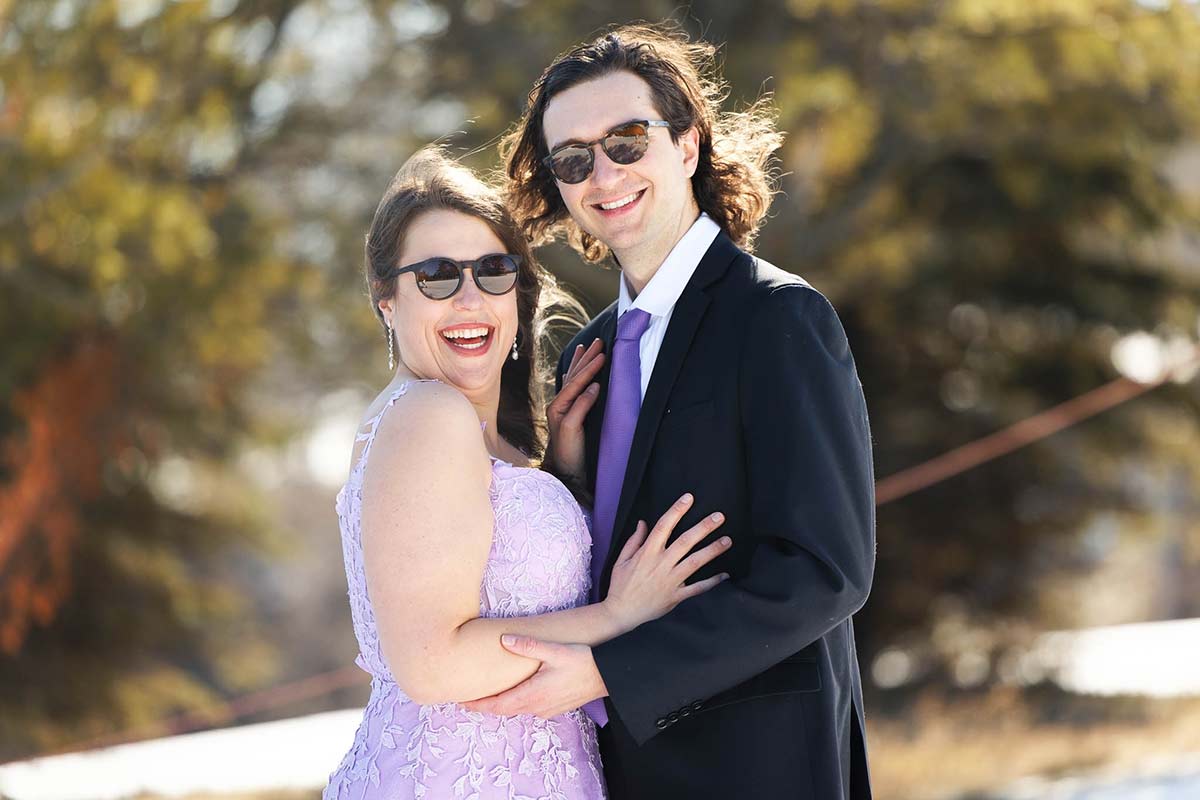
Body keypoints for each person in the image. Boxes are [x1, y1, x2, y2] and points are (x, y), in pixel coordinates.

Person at [469, 24, 876, 799]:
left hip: (760, 766)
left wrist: (612, 670)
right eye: (572, 159)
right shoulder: (588, 352)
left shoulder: (778, 317)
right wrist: (570, 475)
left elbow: (826, 571)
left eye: (627, 140)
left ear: (688, 144)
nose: (603, 173)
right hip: (614, 768)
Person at [322, 148, 733, 800]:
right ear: (387, 301)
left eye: (492, 271)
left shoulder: (466, 431)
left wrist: (556, 475)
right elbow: (433, 665)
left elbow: (486, 570)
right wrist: (618, 614)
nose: (469, 298)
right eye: (436, 276)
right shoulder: (429, 415)